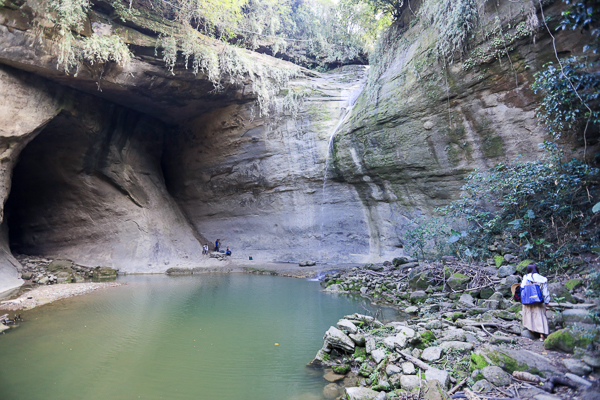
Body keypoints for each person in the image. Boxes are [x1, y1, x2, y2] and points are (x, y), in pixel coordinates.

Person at [520, 263, 550, 341]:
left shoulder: (526, 277)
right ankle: (541, 334)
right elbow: (545, 292)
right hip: (539, 301)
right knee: (540, 316)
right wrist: (547, 301)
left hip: (528, 301)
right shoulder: (543, 279)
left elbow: (522, 287)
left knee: (530, 314)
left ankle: (532, 330)